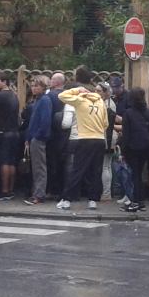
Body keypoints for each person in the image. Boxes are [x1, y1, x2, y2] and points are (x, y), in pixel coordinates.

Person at [57, 66, 108, 210]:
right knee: (95, 171)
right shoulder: (100, 103)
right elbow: (105, 123)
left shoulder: (80, 100)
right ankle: (93, 200)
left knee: (78, 169)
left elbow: (62, 96)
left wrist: (77, 91)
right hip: (99, 139)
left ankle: (67, 199)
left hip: (84, 138)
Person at [118, 87, 149, 212]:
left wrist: (123, 151)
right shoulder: (148, 112)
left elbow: (126, 134)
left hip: (133, 147)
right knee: (139, 173)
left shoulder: (128, 113)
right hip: (146, 146)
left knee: (135, 175)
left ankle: (136, 200)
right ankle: (140, 200)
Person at [0, 71, 20, 200]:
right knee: (11, 162)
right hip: (14, 132)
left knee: (4, 162)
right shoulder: (14, 96)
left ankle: (3, 190)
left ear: (5, 82)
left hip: (3, 132)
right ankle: (11, 189)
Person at [23, 76, 51, 205]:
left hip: (38, 138)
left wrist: (36, 136)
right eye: (33, 85)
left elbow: (45, 121)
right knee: (36, 166)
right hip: (34, 137)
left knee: (39, 167)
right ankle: (37, 192)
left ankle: (39, 195)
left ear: (44, 87)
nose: (34, 88)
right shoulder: (38, 100)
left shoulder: (44, 100)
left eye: (37, 86)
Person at [46, 72, 70, 199]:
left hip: (53, 133)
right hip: (65, 133)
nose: (50, 81)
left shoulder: (50, 96)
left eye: (51, 79)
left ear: (56, 82)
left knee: (52, 163)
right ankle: (63, 190)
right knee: (64, 164)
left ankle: (52, 190)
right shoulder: (68, 96)